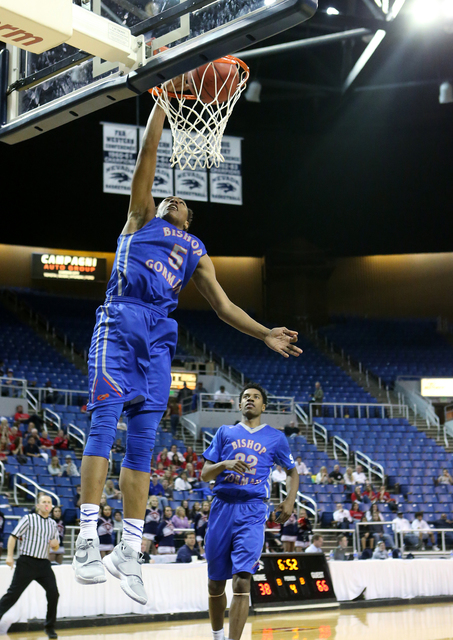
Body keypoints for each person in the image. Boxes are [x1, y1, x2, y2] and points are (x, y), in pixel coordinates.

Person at [73, 88, 301, 604]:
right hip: (121, 320)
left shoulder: (197, 251)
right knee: (104, 424)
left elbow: (222, 306)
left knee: (142, 448)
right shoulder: (139, 220)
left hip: (159, 338)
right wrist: (160, 104)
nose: (172, 198)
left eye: (181, 200)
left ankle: (128, 550)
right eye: (166, 197)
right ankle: (87, 536)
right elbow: (148, 160)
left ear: (191, 218)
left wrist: (264, 332)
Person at [201, 383, 299, 640]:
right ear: (239, 403)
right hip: (222, 507)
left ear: (263, 406)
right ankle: (217, 635)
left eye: (255, 397)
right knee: (215, 583)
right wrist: (225, 463)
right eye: (246, 397)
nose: (250, 400)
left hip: (253, 511)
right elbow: (204, 474)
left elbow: (292, 471)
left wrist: (289, 501)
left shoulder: (276, 437)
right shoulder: (225, 432)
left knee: (243, 580)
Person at [0, 494, 59, 638]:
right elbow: (13, 536)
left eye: (49, 502)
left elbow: (55, 547)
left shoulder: (53, 524)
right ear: (38, 505)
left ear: (51, 506)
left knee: (54, 594)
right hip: (27, 562)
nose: (47, 504)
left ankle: (49, 627)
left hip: (44, 564)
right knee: (12, 595)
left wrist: (55, 545)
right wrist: (9, 556)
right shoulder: (29, 519)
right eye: (44, 502)